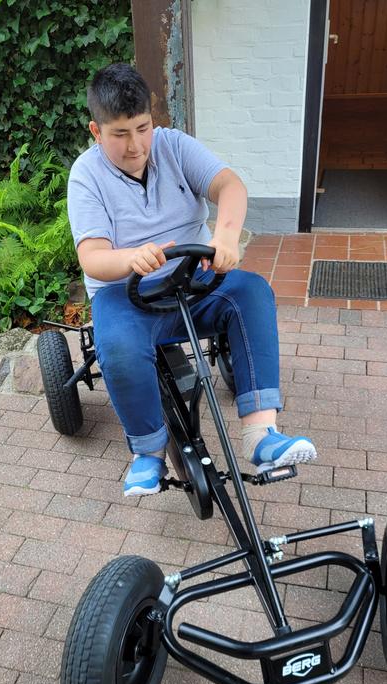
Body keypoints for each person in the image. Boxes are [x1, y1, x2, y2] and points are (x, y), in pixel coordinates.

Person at [67, 63, 316, 497]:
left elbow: (229, 185)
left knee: (252, 292)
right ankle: (148, 451)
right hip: (126, 293)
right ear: (96, 131)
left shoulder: (174, 147)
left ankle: (261, 435)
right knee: (119, 346)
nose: (135, 146)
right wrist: (130, 258)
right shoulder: (86, 175)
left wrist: (226, 236)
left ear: (152, 119)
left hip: (193, 279)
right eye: (120, 134)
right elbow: (92, 258)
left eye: (142, 128)